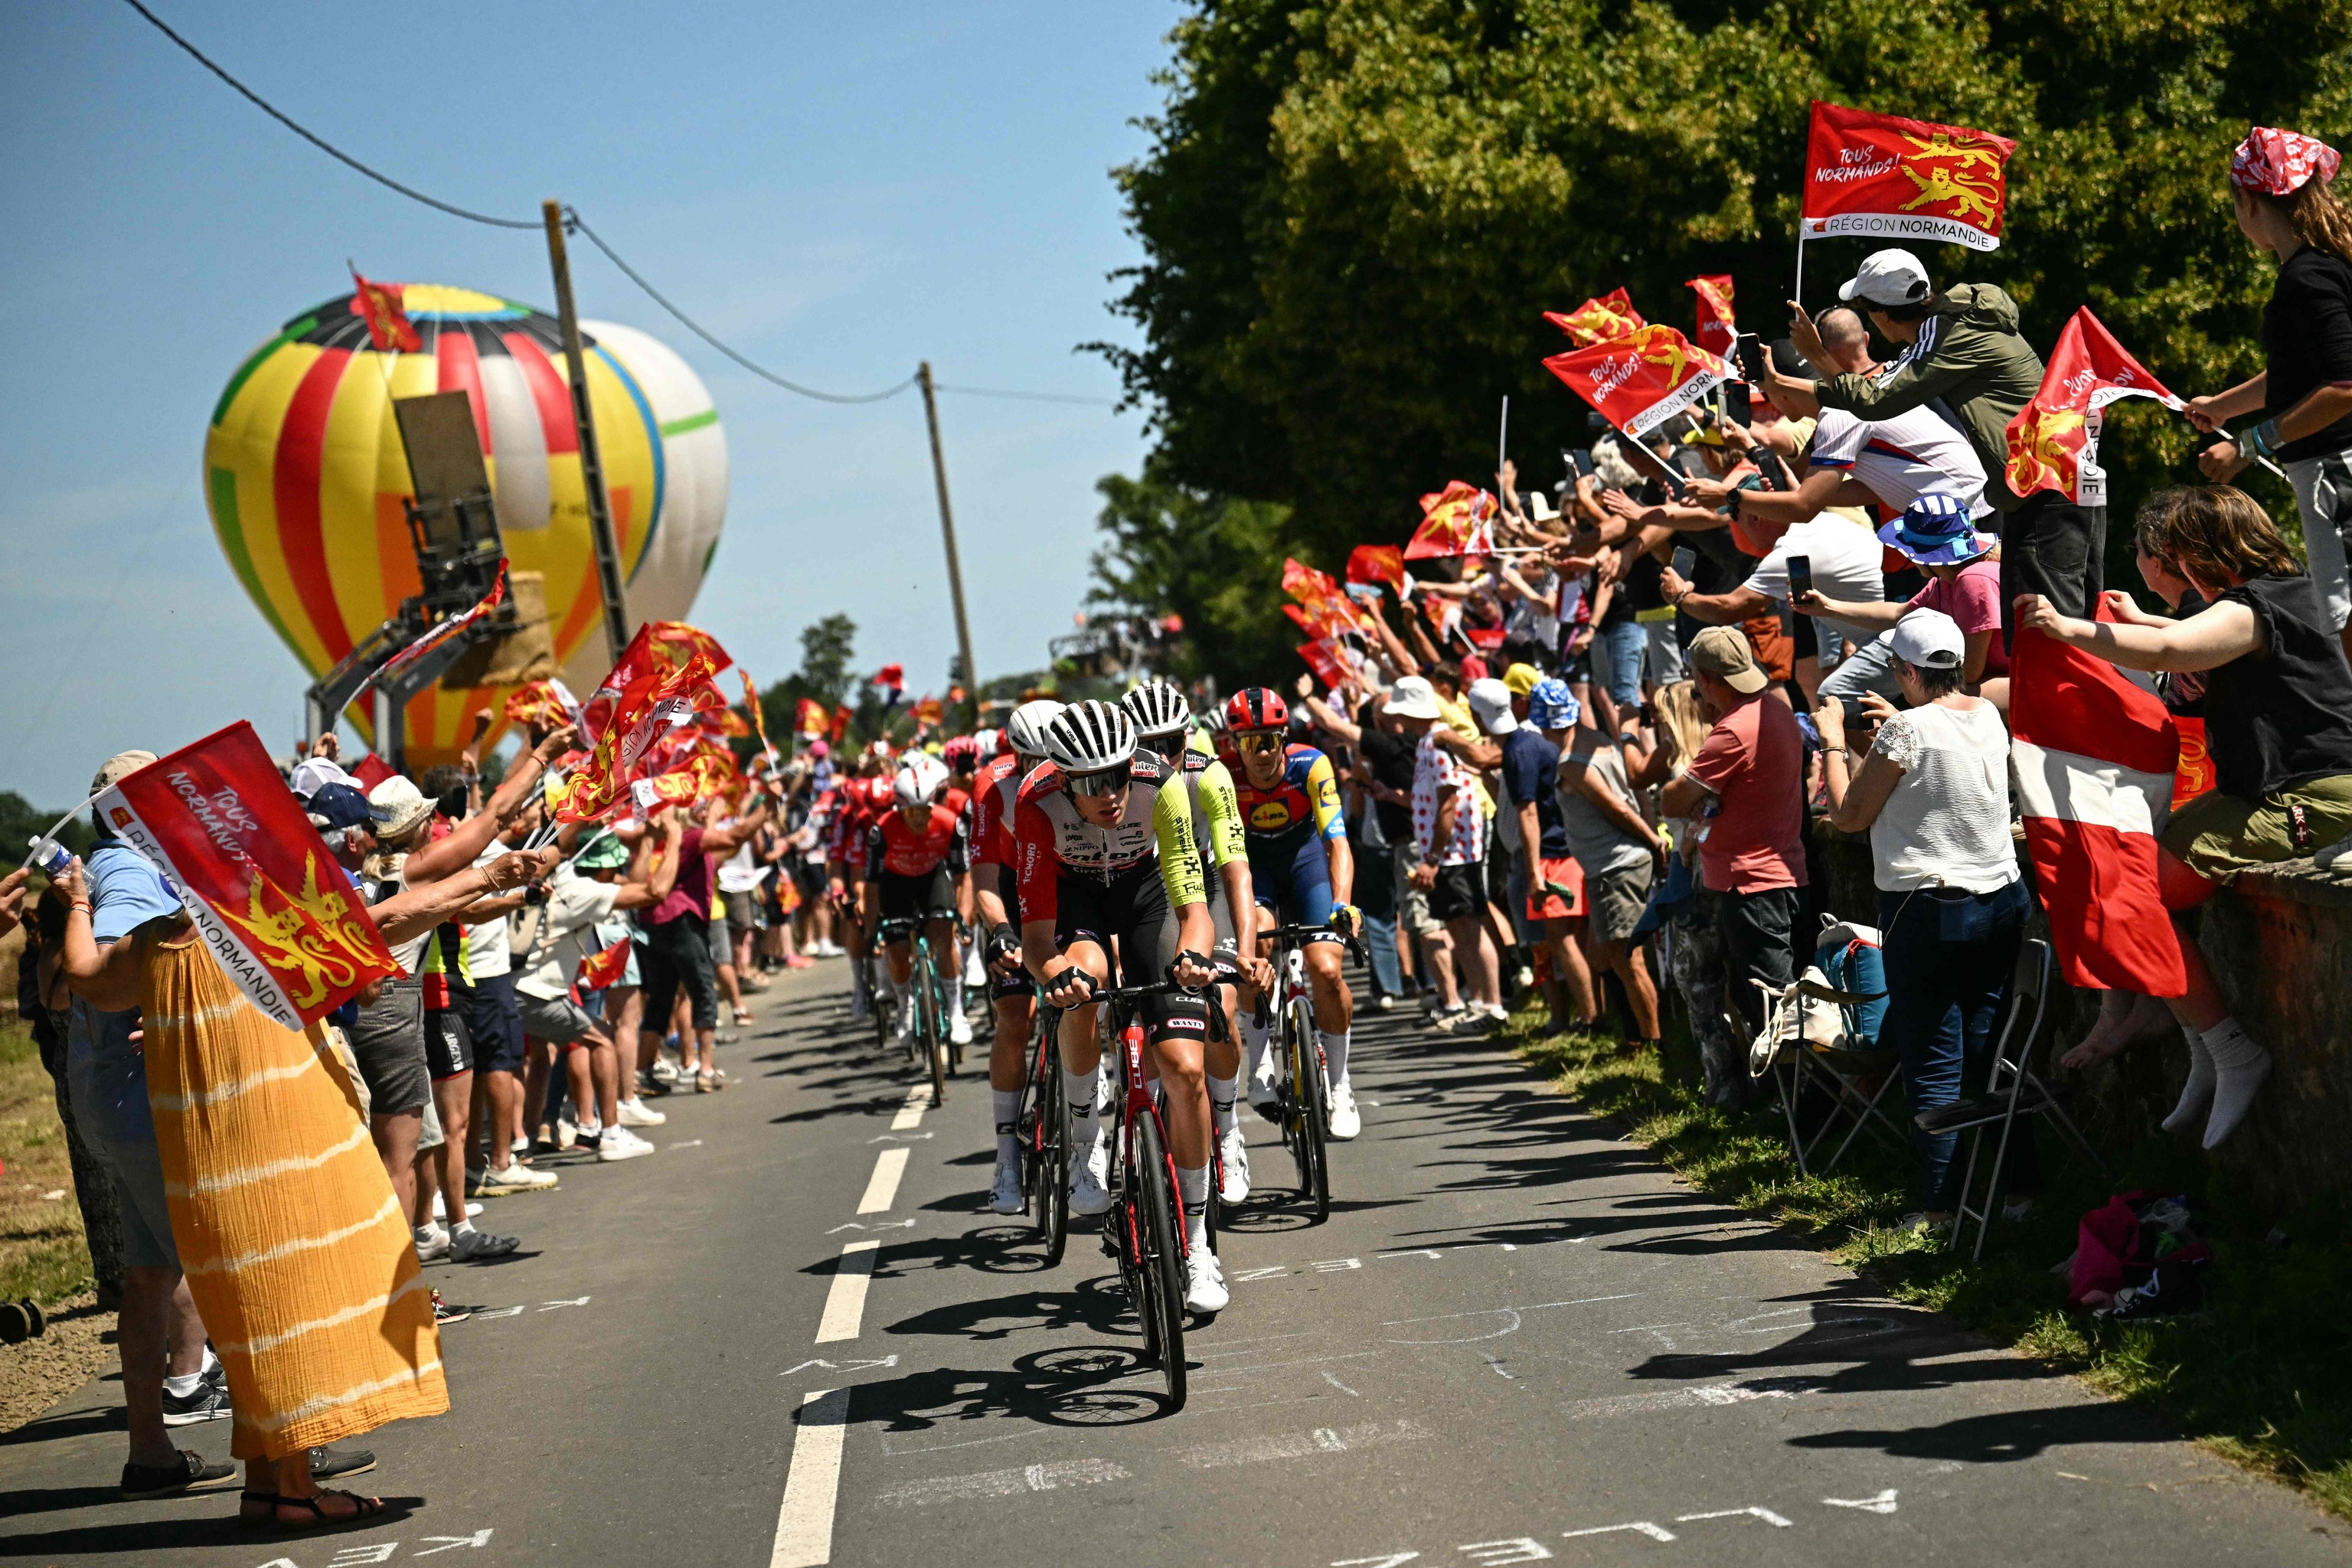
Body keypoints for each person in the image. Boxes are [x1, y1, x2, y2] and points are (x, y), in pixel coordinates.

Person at [2017, 485, 2352, 1147]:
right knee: (2129, 870)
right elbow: (2185, 637)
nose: (2139, 564)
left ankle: (2228, 1048)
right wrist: (2141, 617)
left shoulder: (2256, 607)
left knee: (2134, 892)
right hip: (2277, 792)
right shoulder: (2283, 595)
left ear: (2175, 553)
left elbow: (2179, 652)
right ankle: (2195, 1038)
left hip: (2314, 799)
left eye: (2143, 554)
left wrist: (2067, 629)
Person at [1816, 611, 2033, 1230]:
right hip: (1999, 899)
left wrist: (1833, 737)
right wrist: (1890, 730)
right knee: (1992, 1050)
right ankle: (2019, 1196)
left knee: (1934, 1057)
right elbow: (1930, 772)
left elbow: (1850, 816)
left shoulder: (1905, 731)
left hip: (1931, 911)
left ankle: (1941, 1210)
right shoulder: (1986, 713)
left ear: (1905, 671)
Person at [1015, 701, 1227, 1313]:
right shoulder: (1035, 804)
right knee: (1085, 983)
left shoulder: (1157, 780)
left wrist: (1192, 958)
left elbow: (1193, 907)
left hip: (1148, 896)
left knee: (1186, 1070)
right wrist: (1056, 975)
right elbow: (1036, 942)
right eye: (1090, 783)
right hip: (1075, 898)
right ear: (1062, 780)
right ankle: (1086, 1141)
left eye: (1115, 777)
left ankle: (1196, 1244)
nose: (1109, 795)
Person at [1769, 247, 2093, 632]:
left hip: (2043, 490)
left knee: (2047, 629)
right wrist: (1773, 383)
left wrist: (1819, 357)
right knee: (2065, 620)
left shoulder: (1944, 336)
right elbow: (1866, 393)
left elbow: (1872, 401)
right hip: (2061, 478)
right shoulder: (1957, 323)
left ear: (1882, 315)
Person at [2187, 126, 2352, 668]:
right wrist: (2225, 407)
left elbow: (2343, 386)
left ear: (2249, 203)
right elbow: (2298, 373)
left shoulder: (2307, 277)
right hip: (2333, 471)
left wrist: (2249, 444)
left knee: (2349, 618)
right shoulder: (2326, 264)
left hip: (2338, 474)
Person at [1124, 681, 1259, 1202]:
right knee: (1137, 1018)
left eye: (1171, 746)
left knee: (1220, 1000)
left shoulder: (1210, 775)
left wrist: (1243, 952)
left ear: (1188, 738)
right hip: (1146, 899)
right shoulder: (1119, 786)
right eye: (1146, 747)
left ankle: (1227, 1131)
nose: (1162, 758)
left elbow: (1235, 870)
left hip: (1204, 888)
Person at [1223, 687, 1363, 1138]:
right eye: (1249, 742)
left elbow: (1337, 842)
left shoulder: (1311, 765)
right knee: (1257, 949)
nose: (1260, 753)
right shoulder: (1224, 776)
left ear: (1284, 739)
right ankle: (1261, 1061)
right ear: (1233, 744)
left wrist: (1341, 903)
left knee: (1325, 969)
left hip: (1306, 866)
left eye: (1269, 741)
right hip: (1256, 871)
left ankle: (1341, 1085)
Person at [1661, 628, 1806, 1050]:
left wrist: (1700, 791)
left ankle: (1797, 1104)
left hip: (1753, 882)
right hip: (1780, 871)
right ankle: (1789, 1098)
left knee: (1773, 1002)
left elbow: (1673, 800)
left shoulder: (1732, 732)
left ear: (1704, 681)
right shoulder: (1775, 710)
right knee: (1764, 994)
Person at [511, 814, 684, 1163]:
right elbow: (655, 891)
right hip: (536, 994)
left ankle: (521, 1142)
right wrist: (675, 839)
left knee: (525, 1063)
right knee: (602, 1038)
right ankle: (610, 1134)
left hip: (510, 987)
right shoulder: (576, 890)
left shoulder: (522, 875)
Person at [971, 698, 1063, 1215]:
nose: (1043, 773)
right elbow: (984, 878)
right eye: (1032, 762)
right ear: (1015, 756)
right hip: (1010, 888)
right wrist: (1002, 931)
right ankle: (1007, 1156)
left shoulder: (1082, 774)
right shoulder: (991, 787)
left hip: (1064, 885)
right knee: (1015, 1016)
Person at [1545, 678, 1665, 1050]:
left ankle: (1650, 1043)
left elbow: (1615, 808)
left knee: (1628, 960)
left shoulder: (1572, 766)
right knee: (1606, 955)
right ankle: (1633, 1033)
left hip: (1616, 864)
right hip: (1612, 864)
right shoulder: (1598, 740)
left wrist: (1652, 840)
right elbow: (1635, 790)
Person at [1805, 493, 2009, 705]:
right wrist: (1827, 607)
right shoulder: (1945, 582)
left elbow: (1970, 673)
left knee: (1933, 693)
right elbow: (1899, 614)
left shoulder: (1973, 580)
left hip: (2018, 685)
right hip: (1993, 682)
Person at [1476, 675, 1596, 1034]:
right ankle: (1582, 1016)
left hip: (1552, 858)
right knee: (1568, 940)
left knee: (1559, 940)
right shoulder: (1532, 744)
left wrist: (1533, 871)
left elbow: (1529, 813)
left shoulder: (1518, 750)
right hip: (1565, 851)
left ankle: (1589, 1019)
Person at [640, 786, 773, 1091]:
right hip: (683, 922)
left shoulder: (659, 841)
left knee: (663, 1000)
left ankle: (643, 1069)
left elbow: (725, 849)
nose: (703, 809)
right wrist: (767, 806)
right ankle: (705, 1069)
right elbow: (734, 836)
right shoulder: (689, 838)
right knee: (703, 992)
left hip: (654, 923)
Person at [1390, 676, 1502, 1030]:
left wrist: (1433, 859)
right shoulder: (1427, 742)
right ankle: (1479, 1001)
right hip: (1445, 854)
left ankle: (1493, 1004)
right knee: (1457, 928)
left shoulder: (1437, 743)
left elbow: (1449, 803)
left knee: (1470, 927)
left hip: (1455, 854)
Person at [863, 753, 972, 1051]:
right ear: (899, 808)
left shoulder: (950, 823)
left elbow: (964, 878)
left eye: (925, 810)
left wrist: (961, 917)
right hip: (896, 884)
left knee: (943, 935)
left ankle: (955, 1010)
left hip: (932, 878)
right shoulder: (881, 830)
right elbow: (871, 886)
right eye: (912, 813)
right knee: (897, 952)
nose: (921, 819)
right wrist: (872, 928)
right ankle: (904, 1004)